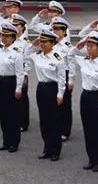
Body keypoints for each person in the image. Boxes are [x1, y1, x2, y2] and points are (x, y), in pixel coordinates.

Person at [70, 31, 98, 172]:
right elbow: (70, 55)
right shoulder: (84, 60)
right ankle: (91, 158)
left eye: (92, 46)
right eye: (88, 46)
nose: (88, 48)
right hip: (86, 96)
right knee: (88, 129)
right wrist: (80, 44)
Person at [0, 22, 27, 153]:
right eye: (3, 36)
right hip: (0, 81)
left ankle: (14, 142)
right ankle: (6, 140)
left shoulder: (17, 53)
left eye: (7, 36)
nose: (4, 38)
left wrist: (18, 88)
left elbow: (20, 73)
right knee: (3, 112)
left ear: (13, 37)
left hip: (11, 82)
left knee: (12, 113)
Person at [27, 29, 66, 161]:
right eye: (41, 41)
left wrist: (60, 94)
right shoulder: (37, 55)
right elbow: (23, 54)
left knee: (54, 120)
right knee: (44, 121)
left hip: (53, 89)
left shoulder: (58, 57)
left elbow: (61, 78)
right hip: (41, 89)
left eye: (45, 42)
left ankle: (56, 150)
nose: (42, 44)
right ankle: (47, 148)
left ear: (53, 43)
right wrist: (33, 44)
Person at [50, 16, 75, 141]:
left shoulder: (67, 46)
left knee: (65, 104)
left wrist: (70, 80)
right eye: (54, 29)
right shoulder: (52, 44)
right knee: (55, 103)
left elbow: (71, 65)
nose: (55, 32)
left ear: (64, 31)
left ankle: (65, 130)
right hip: (53, 74)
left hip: (64, 74)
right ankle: (56, 127)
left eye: (58, 30)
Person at [11, 13, 32, 133]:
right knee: (13, 98)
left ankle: (23, 122)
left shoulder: (25, 43)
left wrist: (25, 75)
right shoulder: (10, 39)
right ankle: (14, 120)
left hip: (21, 74)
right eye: (13, 25)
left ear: (23, 27)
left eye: (17, 25)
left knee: (22, 99)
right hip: (11, 73)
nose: (15, 27)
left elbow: (27, 61)